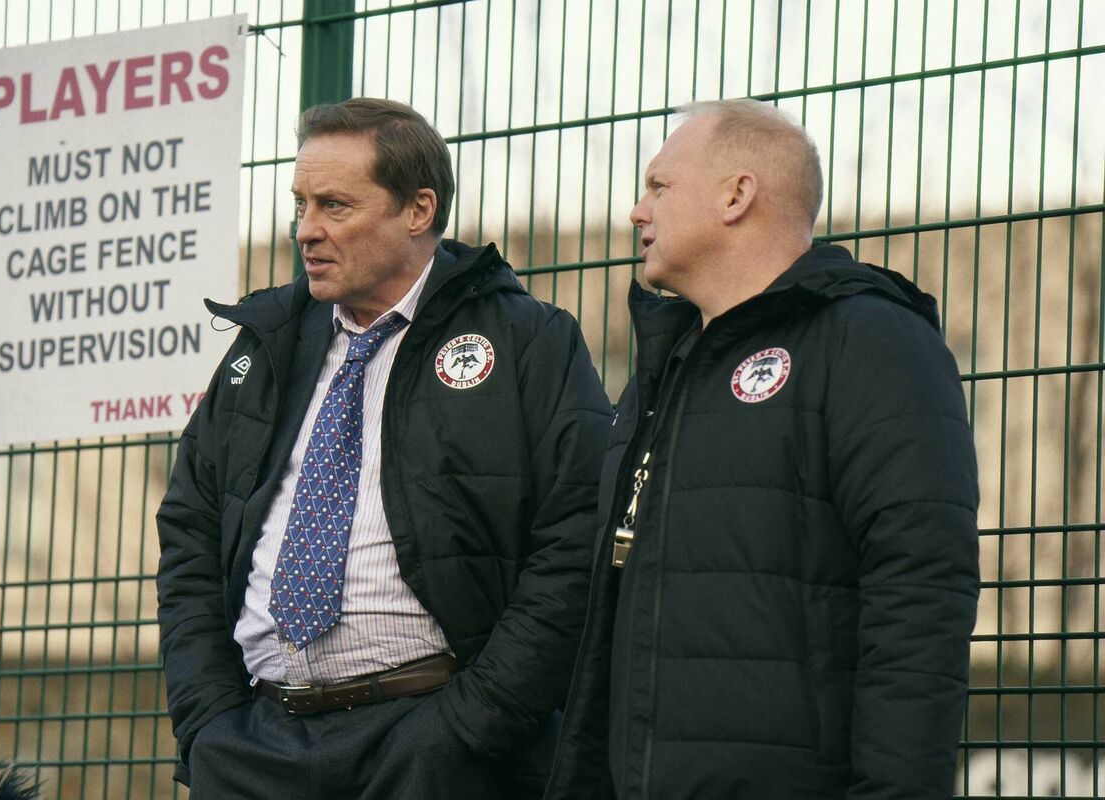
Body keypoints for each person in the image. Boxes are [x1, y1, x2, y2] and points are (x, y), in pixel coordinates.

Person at [156, 97, 613, 799]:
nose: (306, 230)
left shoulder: (527, 340)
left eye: (335, 205)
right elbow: (190, 530)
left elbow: (579, 537)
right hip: (255, 749)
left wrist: (468, 727)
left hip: (432, 744)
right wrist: (209, 721)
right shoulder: (265, 346)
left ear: (418, 210)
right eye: (300, 204)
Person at [545, 99, 980, 799]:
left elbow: (920, 594)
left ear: (736, 195)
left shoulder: (872, 341)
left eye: (659, 186)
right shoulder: (664, 370)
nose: (637, 211)